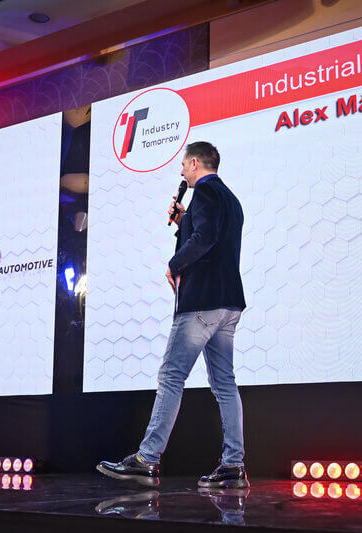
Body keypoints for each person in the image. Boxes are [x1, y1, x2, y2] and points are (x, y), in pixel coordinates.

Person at [97, 141, 248, 488]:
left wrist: (174, 264)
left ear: (195, 163)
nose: (181, 171)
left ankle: (147, 459)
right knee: (224, 383)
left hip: (202, 302)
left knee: (171, 376)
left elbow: (205, 238)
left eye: (183, 165)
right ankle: (233, 465)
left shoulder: (204, 192)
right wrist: (184, 222)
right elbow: (210, 236)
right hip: (229, 304)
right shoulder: (231, 199)